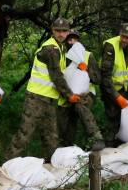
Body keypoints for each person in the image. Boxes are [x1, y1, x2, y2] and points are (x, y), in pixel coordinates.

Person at [5, 18, 78, 161]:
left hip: (49, 100)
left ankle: (52, 167)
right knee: (25, 134)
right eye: (58, 31)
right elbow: (57, 77)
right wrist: (69, 95)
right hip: (36, 99)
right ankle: (6, 165)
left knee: (51, 137)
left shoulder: (61, 48)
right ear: (52, 30)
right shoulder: (50, 49)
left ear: (68, 32)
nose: (61, 34)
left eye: (64, 31)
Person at [60, 30, 105, 151]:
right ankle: (66, 147)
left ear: (79, 41)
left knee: (80, 106)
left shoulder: (87, 55)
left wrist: (86, 70)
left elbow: (97, 79)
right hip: (67, 94)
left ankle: (96, 137)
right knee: (67, 120)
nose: (72, 42)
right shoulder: (62, 56)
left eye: (74, 39)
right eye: (69, 39)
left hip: (86, 93)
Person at [100, 22, 128, 145]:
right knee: (113, 117)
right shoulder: (110, 46)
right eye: (122, 36)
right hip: (110, 88)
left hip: (124, 87)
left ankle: (121, 143)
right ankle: (109, 145)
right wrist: (116, 96)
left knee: (125, 117)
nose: (124, 40)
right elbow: (105, 77)